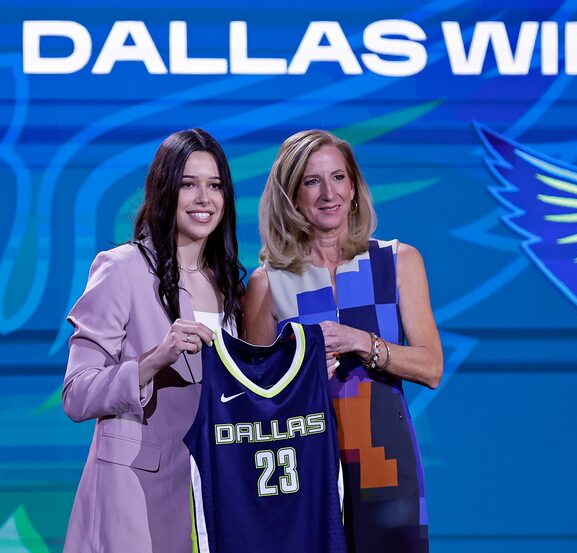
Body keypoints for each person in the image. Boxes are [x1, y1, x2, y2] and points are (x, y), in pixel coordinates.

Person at [245, 129, 442, 552]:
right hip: (304, 466)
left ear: (354, 187)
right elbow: (253, 400)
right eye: (312, 182)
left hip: (384, 463)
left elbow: (431, 366)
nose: (327, 193)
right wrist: (298, 378)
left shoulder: (398, 261)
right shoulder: (268, 283)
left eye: (338, 178)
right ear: (292, 196)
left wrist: (362, 342)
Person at [62, 128, 245, 552]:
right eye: (189, 184)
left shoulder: (229, 286)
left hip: (205, 492)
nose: (204, 198)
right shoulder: (122, 268)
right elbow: (76, 394)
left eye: (215, 186)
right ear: (165, 190)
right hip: (131, 492)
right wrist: (153, 360)